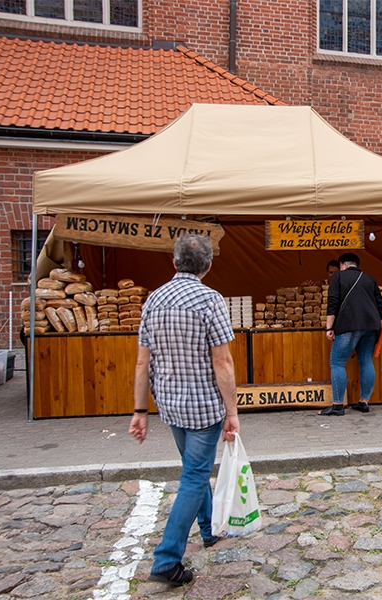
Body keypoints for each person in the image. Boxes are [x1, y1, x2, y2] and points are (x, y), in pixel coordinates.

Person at [129, 234, 239, 587]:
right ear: (208, 266)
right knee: (194, 476)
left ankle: (207, 529)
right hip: (204, 407)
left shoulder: (153, 300)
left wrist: (139, 410)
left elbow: (141, 362)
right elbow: (222, 362)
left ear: (174, 262)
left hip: (171, 405)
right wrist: (232, 411)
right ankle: (166, 559)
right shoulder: (210, 300)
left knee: (195, 468)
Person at [321, 252, 382, 416]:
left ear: (343, 264)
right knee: (366, 361)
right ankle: (364, 402)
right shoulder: (370, 279)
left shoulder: (339, 277)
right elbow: (380, 306)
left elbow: (333, 302)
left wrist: (329, 328)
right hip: (371, 326)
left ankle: (337, 405)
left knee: (337, 362)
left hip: (348, 324)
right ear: (356, 264)